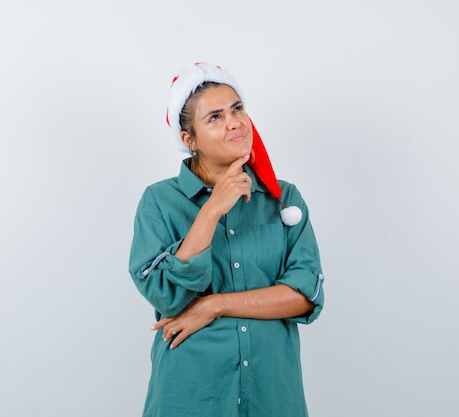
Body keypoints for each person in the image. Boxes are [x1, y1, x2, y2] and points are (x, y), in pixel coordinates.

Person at [128, 62, 325, 417]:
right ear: (189, 140)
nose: (234, 122)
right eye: (215, 117)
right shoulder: (159, 202)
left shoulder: (284, 199)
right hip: (190, 394)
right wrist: (211, 210)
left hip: (273, 394)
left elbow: (304, 295)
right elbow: (164, 295)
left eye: (237, 109)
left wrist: (215, 304)